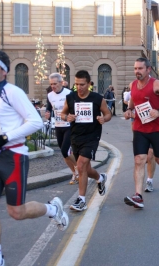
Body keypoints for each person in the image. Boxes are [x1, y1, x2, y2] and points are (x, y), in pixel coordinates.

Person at [0, 50, 69, 266]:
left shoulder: (13, 92)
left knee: (16, 212)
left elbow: (35, 122)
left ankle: (53, 209)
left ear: (4, 70)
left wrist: (7, 137)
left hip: (13, 157)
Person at [123, 58, 159, 209]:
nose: (137, 72)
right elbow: (133, 100)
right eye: (135, 69)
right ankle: (138, 196)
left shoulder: (156, 84)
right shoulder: (133, 85)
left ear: (148, 70)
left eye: (140, 68)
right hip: (139, 128)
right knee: (139, 160)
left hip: (156, 129)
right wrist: (129, 110)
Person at [60, 70, 112, 211]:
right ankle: (100, 178)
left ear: (89, 84)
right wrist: (67, 118)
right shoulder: (70, 97)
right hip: (76, 136)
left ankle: (81, 200)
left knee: (81, 165)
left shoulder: (97, 98)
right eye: (76, 84)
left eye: (82, 84)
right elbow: (63, 113)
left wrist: (104, 119)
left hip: (92, 136)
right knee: (86, 169)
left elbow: (108, 114)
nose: (79, 87)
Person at [45, 73, 79, 184]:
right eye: (51, 84)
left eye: (55, 84)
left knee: (65, 150)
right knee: (64, 153)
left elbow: (76, 107)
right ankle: (74, 173)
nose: (53, 86)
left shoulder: (69, 93)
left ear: (61, 82)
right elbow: (49, 106)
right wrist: (48, 112)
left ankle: (78, 168)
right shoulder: (50, 95)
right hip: (58, 126)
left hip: (69, 126)